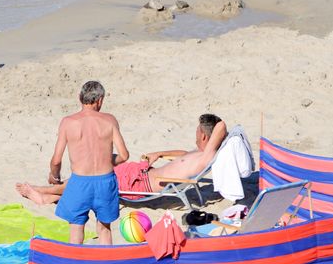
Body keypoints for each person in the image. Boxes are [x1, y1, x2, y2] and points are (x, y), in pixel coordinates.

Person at [17, 114, 227, 204]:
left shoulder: (205, 156)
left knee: (93, 178)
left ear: (204, 136)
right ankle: (52, 194)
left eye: (197, 131)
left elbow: (221, 127)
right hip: (140, 174)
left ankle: (45, 193)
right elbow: (183, 155)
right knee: (97, 168)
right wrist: (160, 153)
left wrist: (226, 131)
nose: (195, 134)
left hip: (139, 184)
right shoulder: (198, 153)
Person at [23, 81, 128, 245]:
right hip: (105, 182)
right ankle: (106, 261)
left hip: (80, 182)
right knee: (104, 229)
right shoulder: (110, 120)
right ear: (100, 100)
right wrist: (107, 160)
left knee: (76, 227)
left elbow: (56, 160)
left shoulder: (68, 122)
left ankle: (75, 260)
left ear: (80, 98)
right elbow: (124, 155)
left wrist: (55, 177)